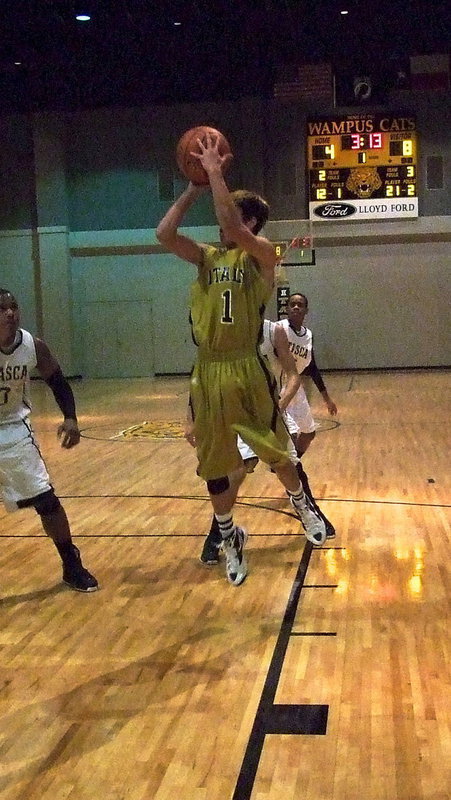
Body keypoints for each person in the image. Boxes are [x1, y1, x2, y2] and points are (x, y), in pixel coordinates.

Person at [156, 132, 327, 587]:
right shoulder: (207, 258)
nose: (222, 218)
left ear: (251, 220)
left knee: (277, 451)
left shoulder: (266, 256)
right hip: (208, 371)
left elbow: (232, 229)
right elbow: (164, 234)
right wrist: (194, 185)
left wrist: (214, 172)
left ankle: (302, 503)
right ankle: (230, 538)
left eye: (233, 209)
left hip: (245, 366)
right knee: (216, 469)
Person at [194, 315, 337, 565]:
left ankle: (311, 512)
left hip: (268, 410)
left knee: (290, 464)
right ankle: (217, 536)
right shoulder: (222, 331)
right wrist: (190, 416)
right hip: (235, 412)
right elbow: (202, 374)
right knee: (236, 473)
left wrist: (280, 404)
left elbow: (294, 374)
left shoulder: (273, 331)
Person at [0, 289, 98, 592]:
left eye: (14, 307)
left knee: (46, 501)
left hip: (13, 429)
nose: (11, 313)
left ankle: (71, 564)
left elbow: (57, 380)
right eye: (3, 308)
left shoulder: (32, 346)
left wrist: (70, 418)